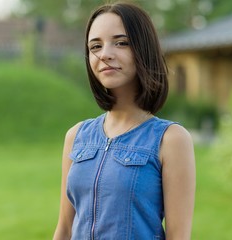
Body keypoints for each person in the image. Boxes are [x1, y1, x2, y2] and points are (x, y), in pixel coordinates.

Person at [53, 1, 196, 239]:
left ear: (143, 49)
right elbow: (65, 228)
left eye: (121, 43)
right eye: (95, 46)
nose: (105, 54)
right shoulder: (76, 136)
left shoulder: (170, 140)